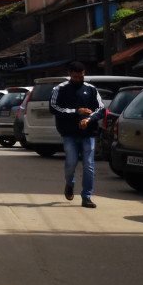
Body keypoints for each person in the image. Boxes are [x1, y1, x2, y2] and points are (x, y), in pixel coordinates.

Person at [50, 60, 103, 208]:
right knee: (71, 163)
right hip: (69, 134)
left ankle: (86, 196)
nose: (78, 80)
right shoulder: (60, 89)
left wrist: (88, 119)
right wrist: (76, 112)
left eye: (80, 77)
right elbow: (54, 108)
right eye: (75, 77)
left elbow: (101, 109)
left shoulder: (91, 89)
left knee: (89, 165)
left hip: (88, 133)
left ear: (84, 73)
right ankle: (70, 183)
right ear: (69, 74)